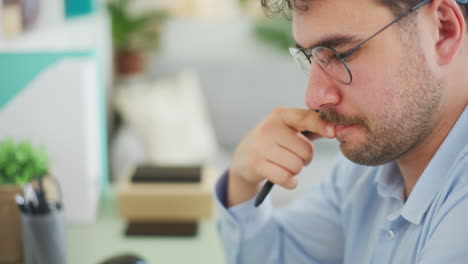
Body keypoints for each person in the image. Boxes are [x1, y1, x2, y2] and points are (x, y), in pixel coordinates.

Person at [214, 0, 468, 263]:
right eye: (313, 56)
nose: (313, 98)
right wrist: (243, 182)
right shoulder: (365, 172)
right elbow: (279, 255)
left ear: (443, 30)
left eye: (342, 54)